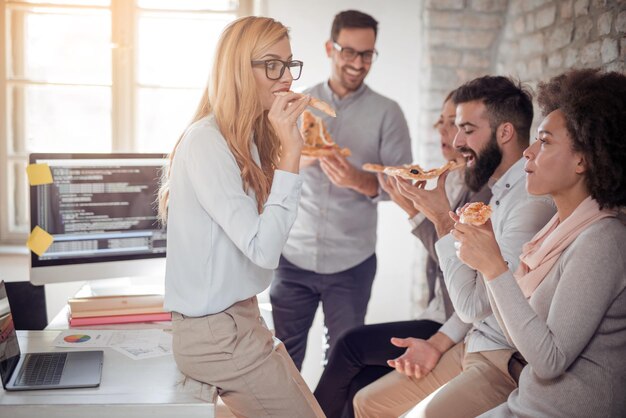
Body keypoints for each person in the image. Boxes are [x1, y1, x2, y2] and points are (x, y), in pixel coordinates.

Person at [353, 75, 556, 418]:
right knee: (367, 402)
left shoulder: (529, 203)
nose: (457, 141)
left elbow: (475, 304)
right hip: (470, 343)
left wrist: (442, 221)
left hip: (500, 358)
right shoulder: (499, 191)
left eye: (467, 129)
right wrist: (436, 343)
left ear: (504, 133)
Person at [158, 16, 324, 418]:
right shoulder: (206, 142)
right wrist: (291, 152)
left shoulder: (246, 138)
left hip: (240, 322)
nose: (285, 77)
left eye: (288, 64)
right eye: (272, 64)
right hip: (218, 335)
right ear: (237, 68)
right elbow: (263, 250)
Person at [452, 68, 626, 418]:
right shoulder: (560, 227)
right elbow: (518, 332)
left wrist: (493, 266)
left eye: (544, 142)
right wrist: (490, 258)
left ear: (583, 159)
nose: (528, 152)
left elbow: (549, 361)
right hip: (528, 405)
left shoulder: (603, 240)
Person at [313, 91, 491, 418]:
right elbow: (445, 258)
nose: (445, 132)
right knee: (358, 384)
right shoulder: (455, 182)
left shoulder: (482, 194)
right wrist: (415, 210)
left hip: (453, 321)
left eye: (457, 124)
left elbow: (460, 268)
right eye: (443, 122)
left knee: (348, 345)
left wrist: (421, 214)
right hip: (443, 312)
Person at [270, 9, 412, 370]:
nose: (357, 63)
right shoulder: (294, 104)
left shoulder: (388, 113)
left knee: (344, 362)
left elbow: (403, 186)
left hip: (352, 264)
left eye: (367, 54)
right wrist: (298, 158)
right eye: (349, 51)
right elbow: (265, 170)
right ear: (330, 48)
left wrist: (357, 179)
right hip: (291, 257)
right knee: (282, 360)